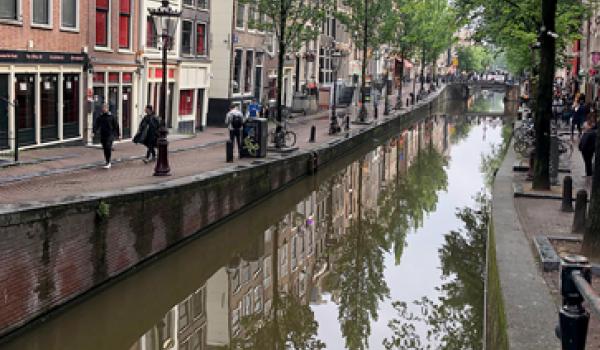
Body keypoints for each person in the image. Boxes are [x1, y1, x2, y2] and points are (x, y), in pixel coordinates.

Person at [94, 104, 120, 169]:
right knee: (105, 148)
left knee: (108, 147)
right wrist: (94, 132)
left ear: (107, 109)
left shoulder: (112, 117)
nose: (103, 109)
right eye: (103, 108)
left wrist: (118, 135)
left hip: (110, 134)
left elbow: (116, 125)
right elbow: (97, 124)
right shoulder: (100, 117)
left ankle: (108, 162)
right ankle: (107, 161)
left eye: (104, 108)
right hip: (103, 134)